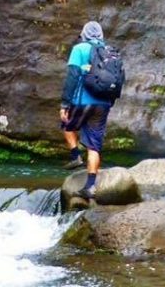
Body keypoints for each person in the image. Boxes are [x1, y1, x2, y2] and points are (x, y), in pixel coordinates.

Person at [60, 20, 114, 199]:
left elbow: (72, 76)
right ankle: (90, 186)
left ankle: (75, 156)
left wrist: (65, 104)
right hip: (103, 104)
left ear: (84, 33)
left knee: (67, 125)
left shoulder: (79, 49)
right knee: (94, 146)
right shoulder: (108, 51)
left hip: (82, 101)